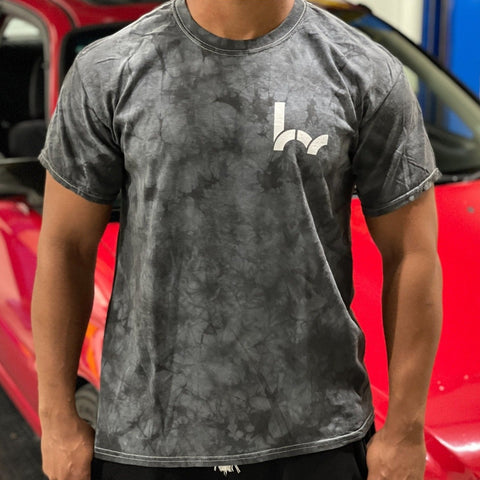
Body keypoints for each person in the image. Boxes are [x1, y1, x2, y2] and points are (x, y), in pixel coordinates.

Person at [31, 0, 443, 479]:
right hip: (148, 439)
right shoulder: (110, 70)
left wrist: (406, 430)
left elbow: (412, 254)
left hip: (316, 439)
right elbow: (66, 249)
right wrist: (56, 421)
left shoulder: (363, 71)